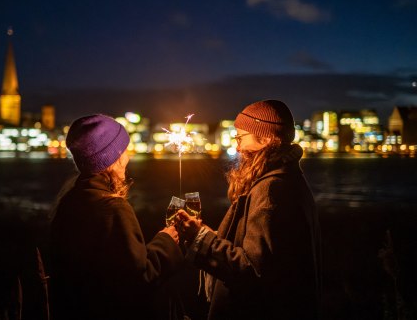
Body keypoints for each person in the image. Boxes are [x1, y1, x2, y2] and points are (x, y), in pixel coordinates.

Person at [177, 99, 322, 319]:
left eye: (240, 138)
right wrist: (207, 234)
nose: (237, 147)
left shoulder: (272, 189)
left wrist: (201, 239)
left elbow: (252, 268)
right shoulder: (285, 178)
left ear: (264, 138)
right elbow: (264, 254)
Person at [49, 114, 185, 320]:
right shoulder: (112, 208)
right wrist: (167, 241)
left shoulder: (70, 200)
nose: (128, 158)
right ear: (112, 158)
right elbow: (138, 279)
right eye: (124, 151)